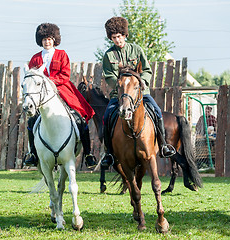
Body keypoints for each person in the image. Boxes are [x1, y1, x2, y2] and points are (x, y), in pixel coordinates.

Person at [101, 17, 176, 167]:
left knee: (157, 111)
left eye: (119, 36)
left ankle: (163, 145)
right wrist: (120, 87)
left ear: (124, 35)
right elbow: (109, 76)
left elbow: (147, 70)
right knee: (107, 117)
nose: (117, 40)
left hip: (141, 93)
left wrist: (142, 83)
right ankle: (109, 153)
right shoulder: (108, 56)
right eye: (114, 38)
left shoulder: (137, 50)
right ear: (111, 38)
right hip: (119, 96)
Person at [24, 23, 97, 168]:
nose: (47, 42)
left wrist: (50, 82)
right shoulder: (35, 58)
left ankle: (88, 153)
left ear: (54, 39)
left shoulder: (62, 54)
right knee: (32, 121)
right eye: (44, 39)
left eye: (49, 39)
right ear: (40, 41)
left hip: (62, 89)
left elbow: (65, 74)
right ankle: (33, 153)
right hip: (41, 95)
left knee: (80, 117)